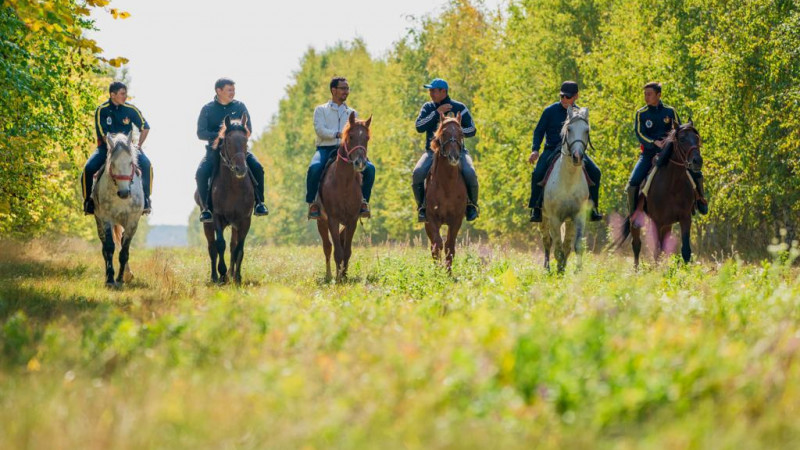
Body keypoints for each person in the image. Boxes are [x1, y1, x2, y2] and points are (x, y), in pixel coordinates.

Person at [528, 81, 602, 222]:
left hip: (574, 150)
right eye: (562, 96)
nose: (564, 100)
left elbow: (583, 134)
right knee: (538, 173)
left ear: (576, 96)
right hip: (552, 149)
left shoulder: (579, 113)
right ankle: (536, 208)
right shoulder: (549, 111)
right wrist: (535, 150)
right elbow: (538, 132)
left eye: (567, 97)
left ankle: (592, 208)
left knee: (596, 172)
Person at [628, 81, 707, 215]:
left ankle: (700, 200)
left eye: (649, 94)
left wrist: (669, 144)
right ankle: (634, 214)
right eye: (645, 94)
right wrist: (653, 142)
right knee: (633, 182)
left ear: (658, 95)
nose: (646, 97)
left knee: (696, 173)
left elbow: (679, 131)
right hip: (648, 154)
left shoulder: (670, 111)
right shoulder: (641, 113)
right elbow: (639, 133)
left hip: (670, 153)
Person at [195, 78, 268, 223]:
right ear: (219, 90)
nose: (232, 93)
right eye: (229, 90)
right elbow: (201, 133)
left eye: (233, 90)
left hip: (238, 151)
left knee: (258, 168)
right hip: (214, 151)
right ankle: (206, 209)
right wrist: (221, 136)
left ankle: (259, 203)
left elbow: (249, 130)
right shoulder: (207, 109)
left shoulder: (240, 107)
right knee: (201, 173)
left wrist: (236, 136)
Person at [306, 76, 375, 219]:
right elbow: (320, 130)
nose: (346, 91)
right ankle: (312, 203)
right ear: (333, 90)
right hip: (325, 148)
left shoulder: (352, 113)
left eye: (347, 89)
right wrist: (337, 134)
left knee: (371, 169)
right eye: (343, 88)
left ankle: (363, 202)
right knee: (314, 168)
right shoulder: (321, 110)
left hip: (347, 150)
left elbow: (355, 133)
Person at [412, 78, 479, 222]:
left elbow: (472, 129)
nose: (431, 93)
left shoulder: (459, 107)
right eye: (430, 90)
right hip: (432, 153)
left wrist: (456, 131)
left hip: (459, 152)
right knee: (417, 173)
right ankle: (422, 207)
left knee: (470, 172)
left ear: (444, 91)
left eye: (433, 90)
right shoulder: (428, 107)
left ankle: (471, 206)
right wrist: (437, 113)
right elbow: (419, 126)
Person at [82, 81, 153, 215]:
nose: (125, 96)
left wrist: (138, 145)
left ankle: (146, 199)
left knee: (147, 165)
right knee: (88, 168)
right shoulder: (101, 110)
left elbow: (145, 127)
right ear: (112, 94)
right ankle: (88, 201)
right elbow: (103, 134)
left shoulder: (131, 110)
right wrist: (112, 147)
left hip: (128, 150)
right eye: (122, 94)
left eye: (125, 94)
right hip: (106, 148)